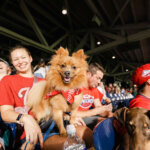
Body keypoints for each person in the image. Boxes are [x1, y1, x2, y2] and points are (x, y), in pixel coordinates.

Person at [0, 45, 93, 149]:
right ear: (12, 63)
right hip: (31, 131)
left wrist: (70, 116)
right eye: (16, 59)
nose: (20, 61)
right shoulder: (7, 80)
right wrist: (26, 118)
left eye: (23, 57)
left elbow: (58, 107)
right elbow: (5, 113)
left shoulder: (48, 82)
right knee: (71, 145)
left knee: (87, 133)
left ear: (30, 58)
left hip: (53, 124)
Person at [65, 63, 113, 129]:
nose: (99, 82)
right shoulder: (74, 86)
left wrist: (107, 112)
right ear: (88, 74)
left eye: (100, 79)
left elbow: (98, 107)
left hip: (87, 117)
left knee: (108, 122)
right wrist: (95, 111)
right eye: (98, 78)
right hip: (74, 119)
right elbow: (70, 113)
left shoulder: (94, 89)